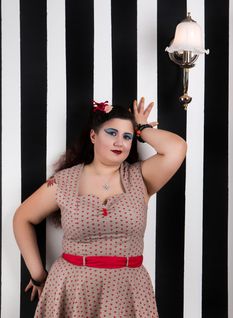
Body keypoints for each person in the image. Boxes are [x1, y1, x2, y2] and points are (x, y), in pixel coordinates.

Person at [13, 97, 187, 317]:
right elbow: (22, 218)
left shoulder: (140, 177)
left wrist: (142, 128)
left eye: (127, 136)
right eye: (112, 133)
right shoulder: (64, 182)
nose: (120, 142)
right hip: (73, 288)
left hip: (128, 289)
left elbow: (177, 148)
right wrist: (38, 274)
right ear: (93, 136)